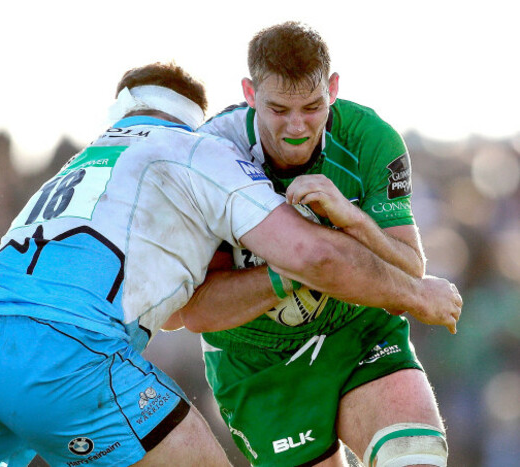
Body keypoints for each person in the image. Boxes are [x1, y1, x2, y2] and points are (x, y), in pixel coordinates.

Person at [0, 62, 460, 467]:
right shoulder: (196, 148)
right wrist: (417, 294)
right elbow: (311, 253)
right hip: (72, 350)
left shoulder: (82, 162)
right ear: (196, 114)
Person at [175, 22, 459, 467]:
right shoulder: (207, 154)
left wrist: (352, 221)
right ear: (249, 94)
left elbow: (409, 270)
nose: (295, 127)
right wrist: (299, 265)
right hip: (257, 360)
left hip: (357, 328)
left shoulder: (370, 138)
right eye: (278, 109)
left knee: (416, 457)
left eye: (312, 107)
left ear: (333, 88)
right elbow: (195, 312)